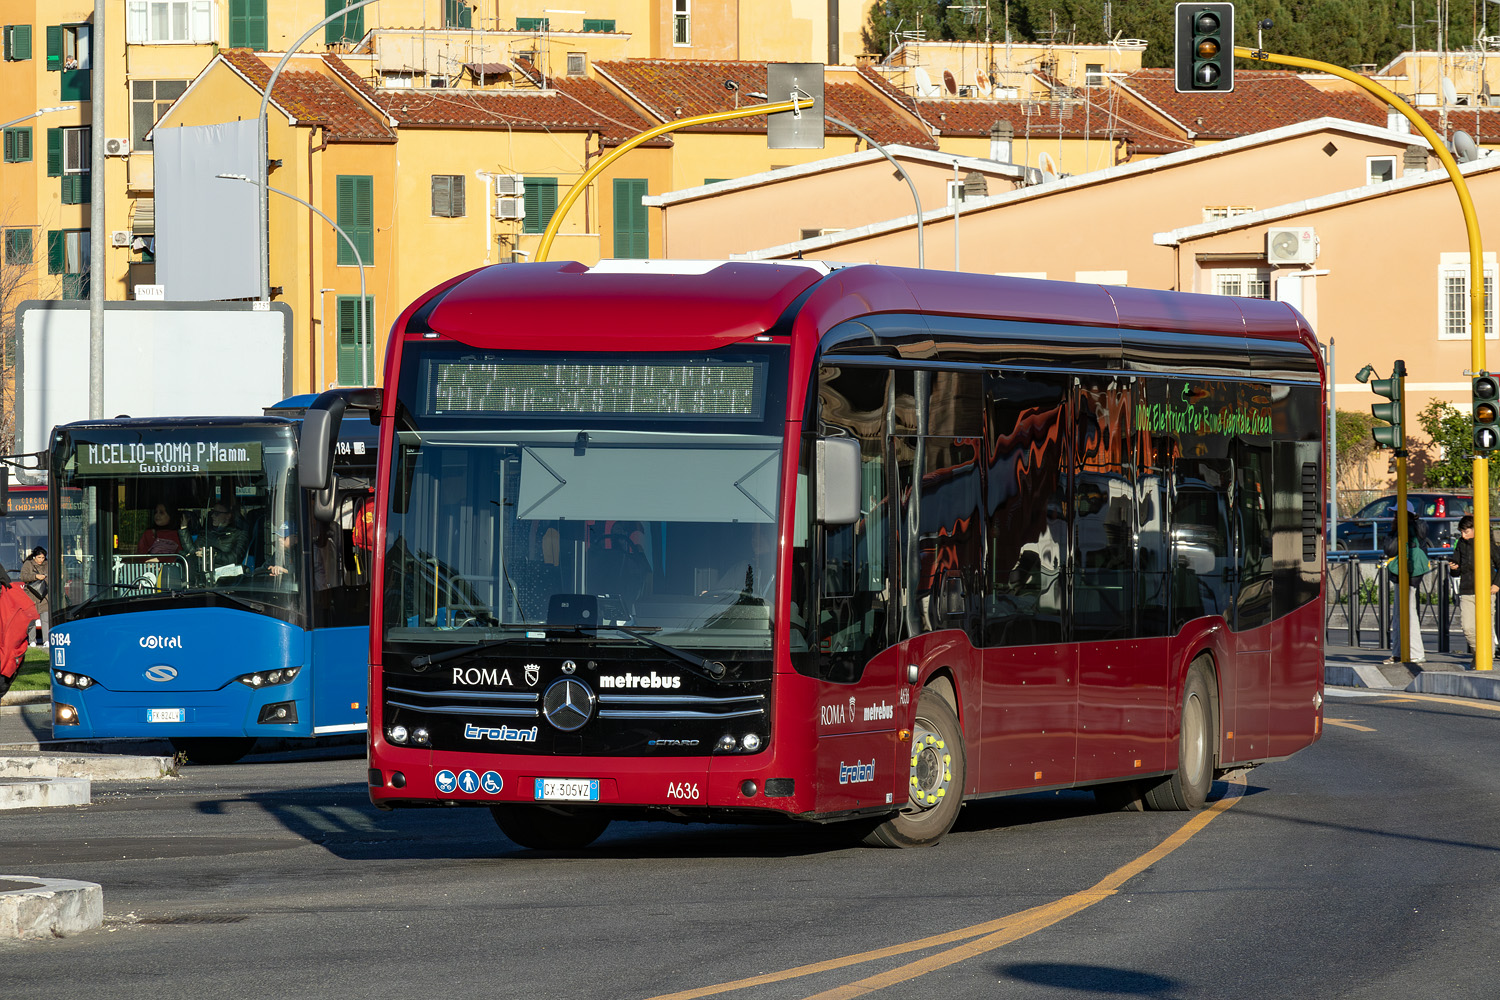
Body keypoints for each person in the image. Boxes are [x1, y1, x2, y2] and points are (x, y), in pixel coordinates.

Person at [1448, 513, 1500, 667]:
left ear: (1476, 529)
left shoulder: (1488, 545)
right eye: (1462, 532)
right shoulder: (1461, 544)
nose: (1463, 536)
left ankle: (1486, 661)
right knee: (1468, 627)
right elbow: (1456, 568)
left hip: (1486, 591)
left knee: (1487, 627)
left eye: (1466, 532)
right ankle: (1480, 655)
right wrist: (1454, 568)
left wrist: (1496, 584)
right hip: (1467, 590)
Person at [1384, 502, 1428, 665]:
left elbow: (1390, 550)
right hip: (1404, 573)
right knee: (1399, 614)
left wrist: (1401, 527)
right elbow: (1391, 550)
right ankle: (1398, 653)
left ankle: (1416, 653)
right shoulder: (1408, 529)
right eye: (1395, 514)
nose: (1394, 517)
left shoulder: (1412, 527)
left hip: (1409, 572)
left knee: (1407, 612)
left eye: (1397, 513)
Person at [189, 502, 249, 574]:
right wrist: (183, 529)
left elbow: (235, 559)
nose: (212, 516)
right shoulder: (207, 533)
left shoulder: (239, 534)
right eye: (212, 512)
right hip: (205, 574)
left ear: (228, 516)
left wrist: (214, 555)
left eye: (217, 513)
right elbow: (192, 551)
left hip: (228, 577)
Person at [19, 546, 47, 643]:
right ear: (34, 557)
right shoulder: (28, 564)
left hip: (44, 596)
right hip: (31, 595)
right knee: (31, 620)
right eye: (39, 558)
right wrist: (35, 576)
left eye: (43, 558)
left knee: (45, 619)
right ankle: (32, 641)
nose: (41, 560)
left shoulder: (47, 564)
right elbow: (23, 577)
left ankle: (46, 640)